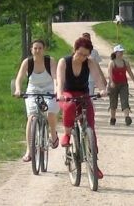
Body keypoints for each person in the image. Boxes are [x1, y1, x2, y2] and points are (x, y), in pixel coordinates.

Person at [56, 37, 107, 178]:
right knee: (70, 106)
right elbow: (60, 81)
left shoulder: (90, 63)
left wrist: (102, 89)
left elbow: (97, 78)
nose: (82, 57)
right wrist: (60, 94)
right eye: (80, 54)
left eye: (86, 55)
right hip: (67, 94)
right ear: (74, 50)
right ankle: (67, 134)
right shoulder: (64, 62)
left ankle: (94, 163)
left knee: (90, 123)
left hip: (83, 94)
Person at [13, 39, 60, 162]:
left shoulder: (50, 61)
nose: (37, 50)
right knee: (31, 117)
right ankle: (29, 150)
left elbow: (55, 78)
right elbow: (19, 78)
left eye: (40, 48)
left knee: (50, 112)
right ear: (31, 50)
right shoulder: (27, 62)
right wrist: (18, 90)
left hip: (49, 90)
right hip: (33, 91)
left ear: (44, 49)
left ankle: (53, 134)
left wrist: (56, 90)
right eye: (35, 48)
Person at [107, 44, 134, 126]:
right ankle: (113, 118)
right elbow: (109, 74)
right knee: (113, 102)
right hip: (114, 85)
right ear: (115, 53)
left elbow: (130, 72)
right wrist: (111, 82)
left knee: (125, 100)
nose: (121, 53)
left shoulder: (125, 62)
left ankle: (127, 117)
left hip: (123, 84)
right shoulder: (112, 63)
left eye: (122, 52)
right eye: (119, 52)